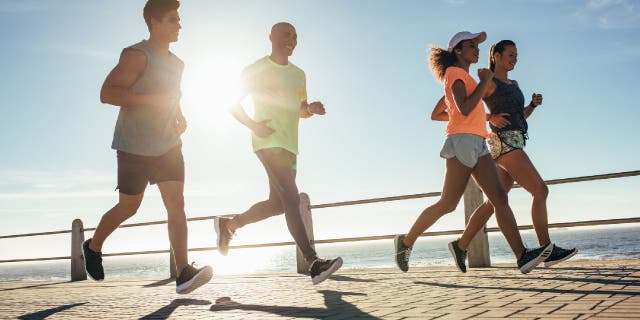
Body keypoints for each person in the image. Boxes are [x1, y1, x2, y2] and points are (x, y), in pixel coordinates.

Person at [394, 31, 553, 274]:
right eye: (471, 46)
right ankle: (405, 242)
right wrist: (484, 82)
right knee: (448, 203)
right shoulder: (454, 74)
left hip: (479, 142)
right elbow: (465, 108)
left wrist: (485, 108)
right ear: (458, 51)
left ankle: (521, 255)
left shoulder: (466, 77)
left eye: (477, 45)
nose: (477, 49)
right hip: (461, 142)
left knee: (499, 197)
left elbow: (462, 110)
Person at [82, 0, 212, 294]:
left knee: (176, 203)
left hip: (168, 145)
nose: (179, 24)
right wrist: (152, 100)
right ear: (154, 23)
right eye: (172, 19)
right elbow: (107, 93)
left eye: (179, 19)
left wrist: (179, 116)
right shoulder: (137, 55)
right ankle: (93, 246)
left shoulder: (178, 63)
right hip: (134, 146)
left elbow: (173, 95)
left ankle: (183, 272)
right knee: (130, 206)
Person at [431, 40, 576, 272]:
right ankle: (546, 248)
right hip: (504, 144)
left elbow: (518, 117)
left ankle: (461, 245)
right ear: (496, 56)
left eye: (517, 55)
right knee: (540, 190)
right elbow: (454, 107)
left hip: (515, 140)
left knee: (494, 202)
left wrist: (532, 106)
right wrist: (490, 118)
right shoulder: (488, 83)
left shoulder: (514, 83)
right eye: (510, 54)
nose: (515, 58)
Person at [215, 22, 342, 285]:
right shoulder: (256, 69)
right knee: (292, 197)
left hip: (290, 145)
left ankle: (230, 224)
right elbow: (231, 102)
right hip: (267, 142)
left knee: (277, 204)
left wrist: (312, 110)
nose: (292, 39)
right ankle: (313, 262)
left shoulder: (299, 74)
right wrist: (253, 125)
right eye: (286, 34)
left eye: (295, 36)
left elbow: (299, 109)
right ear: (270, 37)